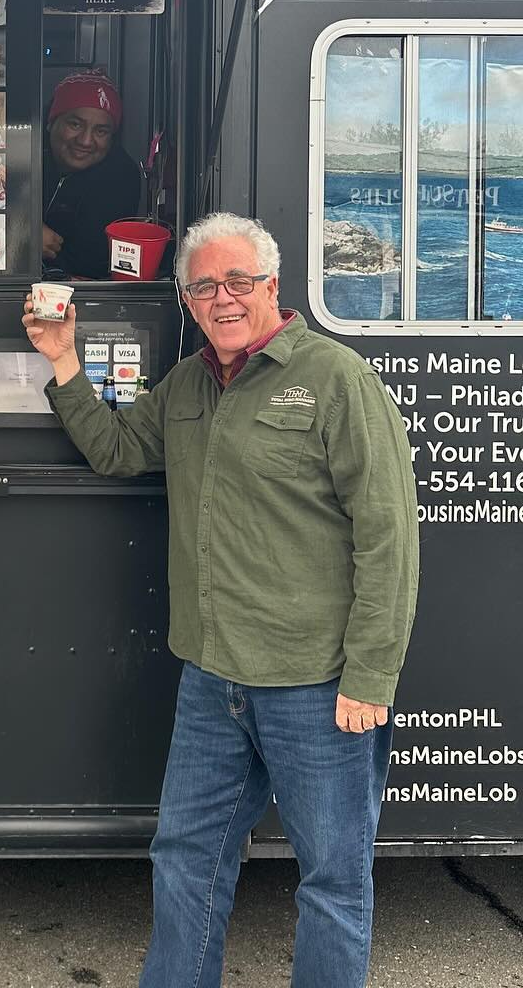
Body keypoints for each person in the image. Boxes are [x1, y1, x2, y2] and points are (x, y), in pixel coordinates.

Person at [23, 211, 419, 988]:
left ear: (273, 285)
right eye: (203, 286)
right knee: (184, 861)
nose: (222, 298)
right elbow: (115, 449)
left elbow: (388, 536)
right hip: (214, 680)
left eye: (238, 281)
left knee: (332, 882)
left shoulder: (336, 379)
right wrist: (63, 361)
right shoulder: (187, 386)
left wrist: (371, 676)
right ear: (189, 301)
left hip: (316, 684)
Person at [42, 69, 143, 279]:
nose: (86, 141)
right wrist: (23, 232)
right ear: (51, 123)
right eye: (75, 124)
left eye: (101, 131)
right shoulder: (20, 157)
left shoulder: (120, 176)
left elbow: (89, 264)